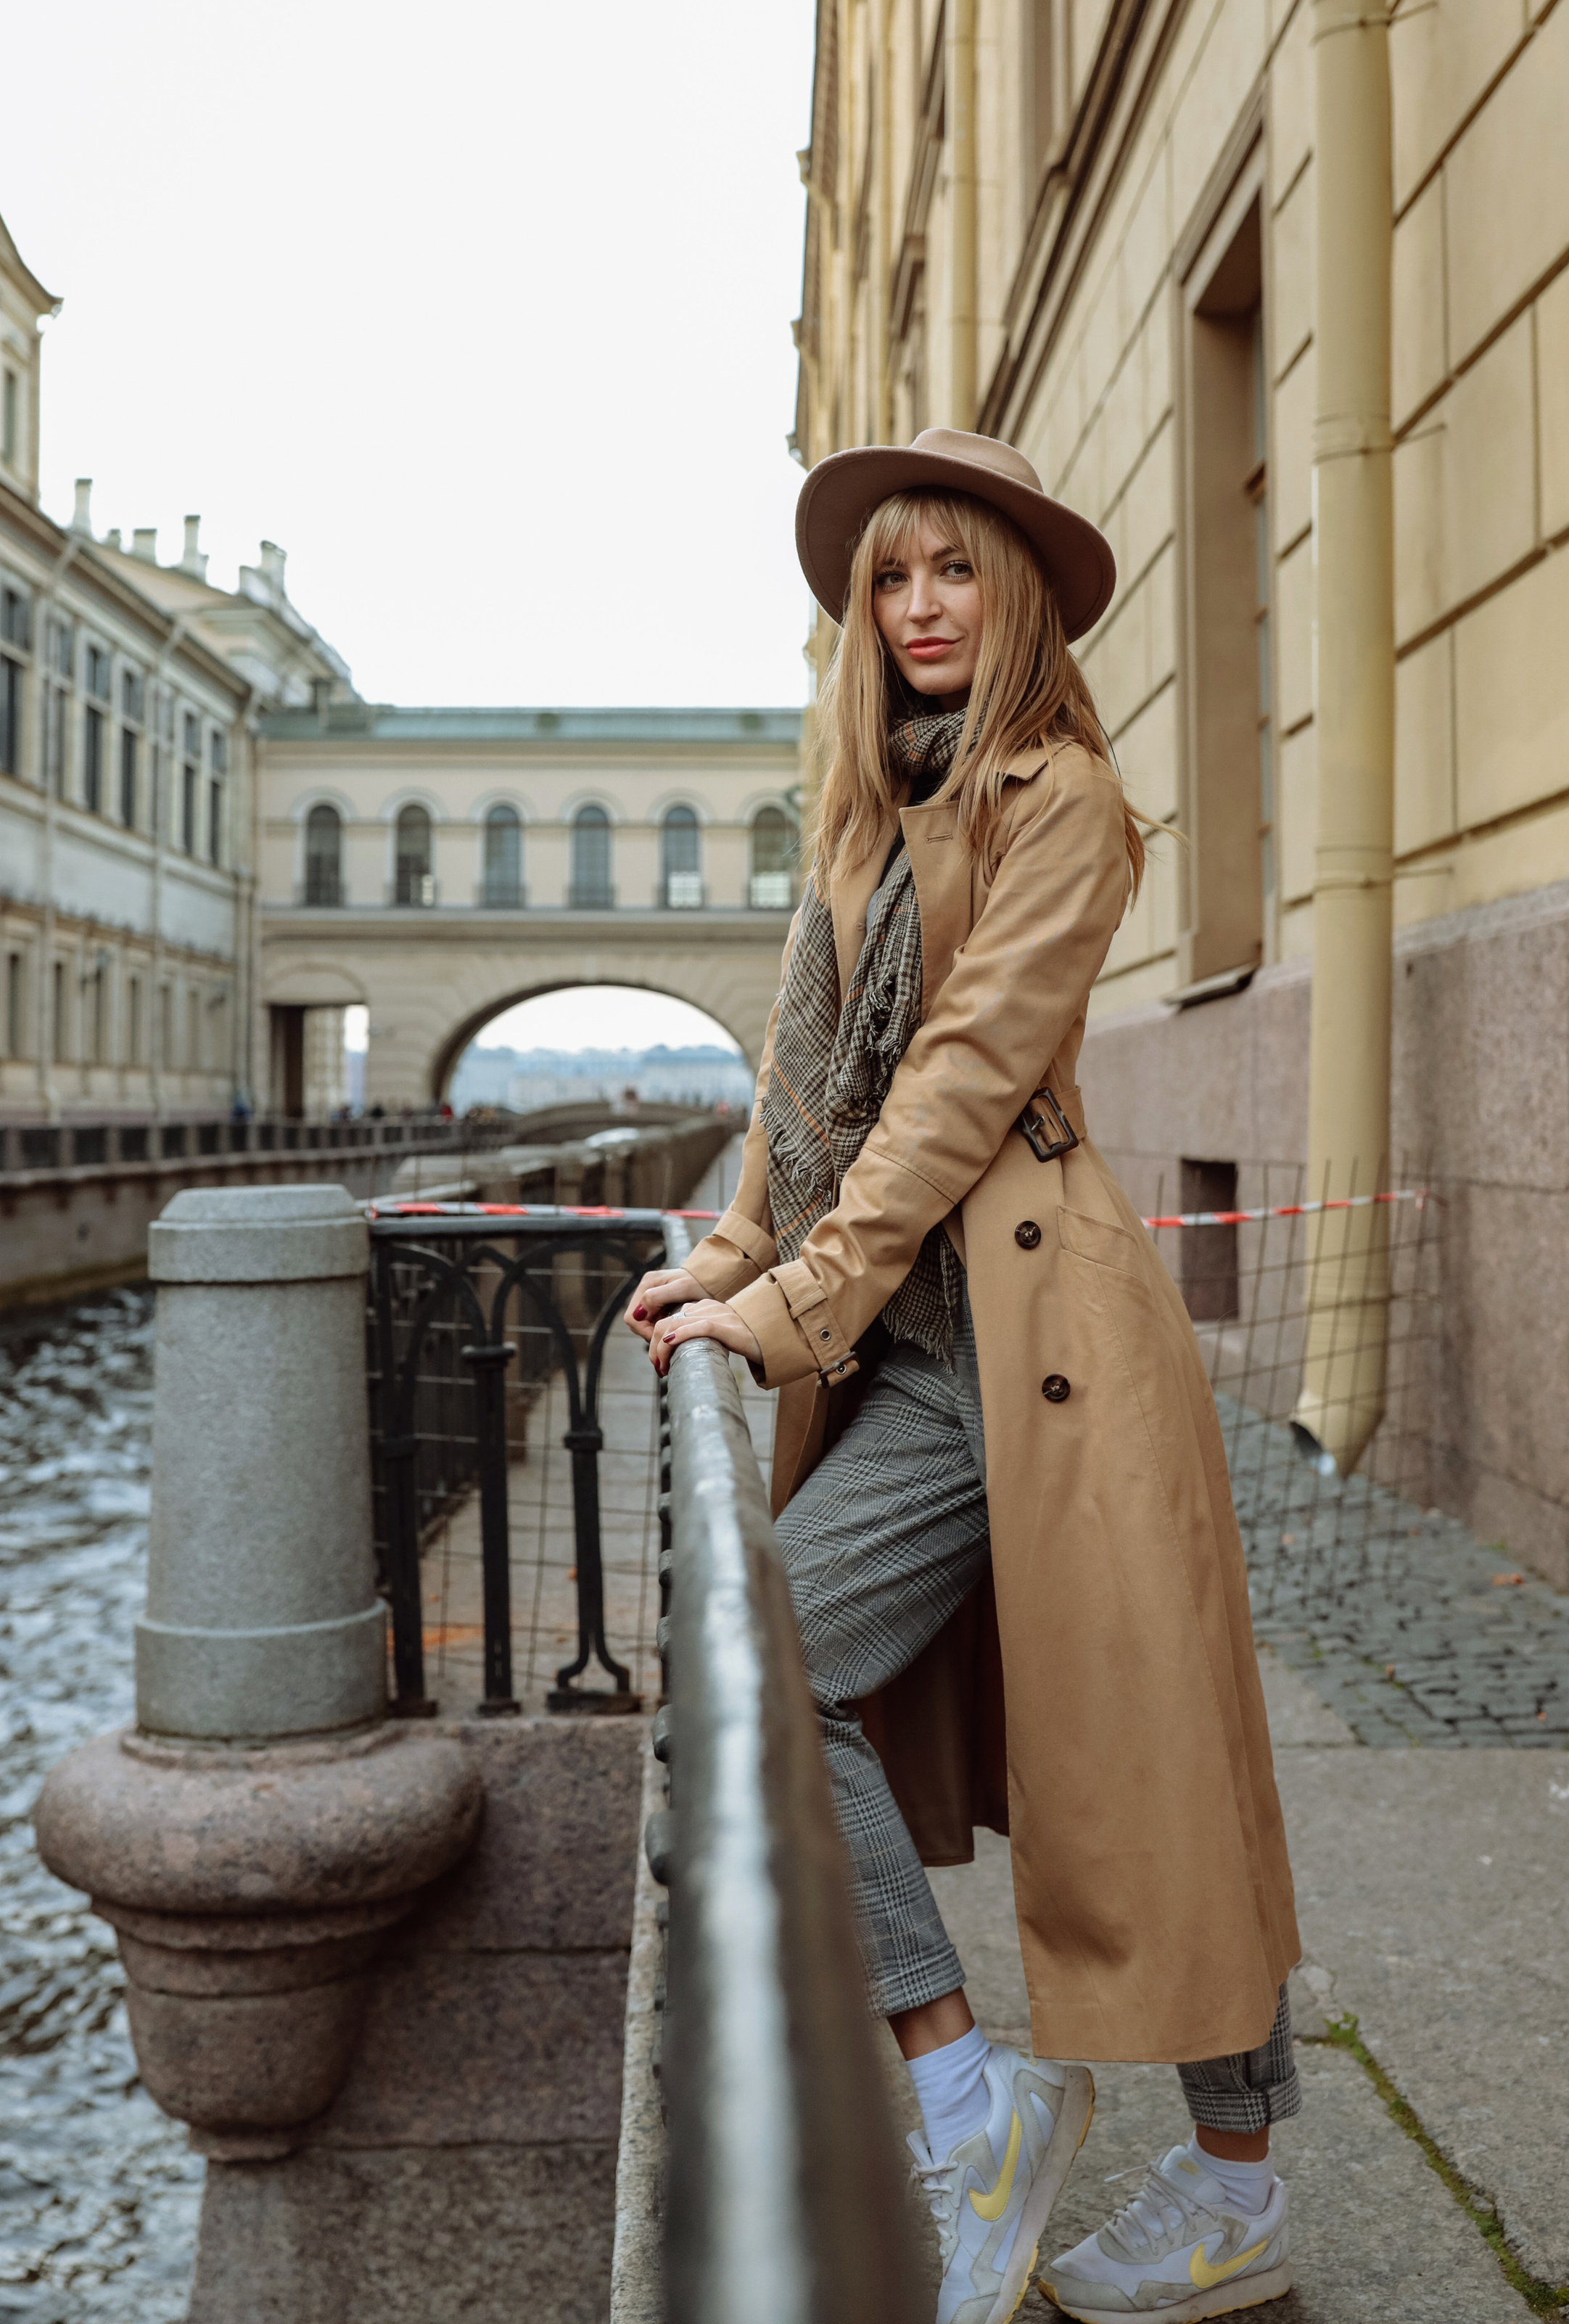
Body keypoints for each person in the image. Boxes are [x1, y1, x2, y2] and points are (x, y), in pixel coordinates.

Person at [629, 427, 1301, 2324]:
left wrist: (797, 1305)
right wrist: (733, 1255)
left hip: (1053, 1349)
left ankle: (1238, 2191)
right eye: (890, 580)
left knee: (1161, 1780)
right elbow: (798, 1082)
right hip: (923, 1365)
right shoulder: (853, 813)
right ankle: (964, 2092)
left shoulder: (1061, 795)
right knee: (765, 1666)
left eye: (954, 572)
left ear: (1010, 598)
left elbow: (962, 1082)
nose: (920, 608)